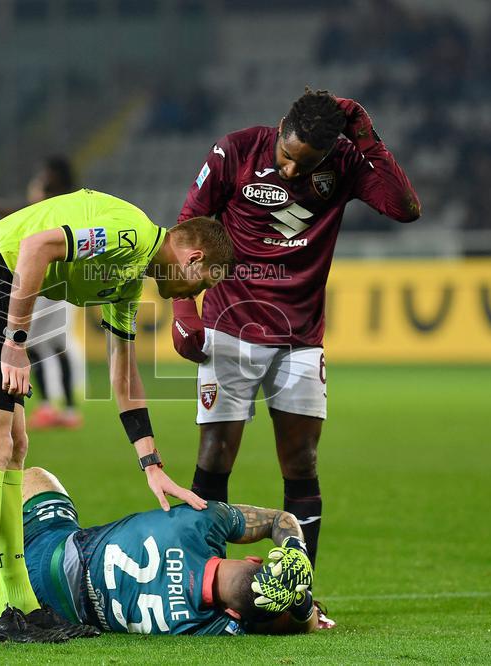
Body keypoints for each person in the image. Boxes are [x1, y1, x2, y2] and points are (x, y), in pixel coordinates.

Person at [0, 187, 234, 642]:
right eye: (206, 281)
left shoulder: (128, 280)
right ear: (192, 259)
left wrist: (151, 464)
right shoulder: (129, 236)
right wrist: (15, 342)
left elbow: (124, 376)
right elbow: (37, 247)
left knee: (14, 447)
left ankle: (21, 604)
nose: (199, 291)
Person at [172, 88, 421, 629]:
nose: (289, 170)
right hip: (229, 327)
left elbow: (405, 208)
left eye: (304, 165)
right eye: (286, 156)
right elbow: (187, 227)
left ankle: (298, 593)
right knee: (215, 457)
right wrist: (182, 307)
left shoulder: (347, 164)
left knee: (302, 462)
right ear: (281, 125)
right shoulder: (235, 152)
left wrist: (367, 135)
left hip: (301, 339)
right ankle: (193, 583)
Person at [0, 467, 319, 636]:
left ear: (252, 558)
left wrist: (295, 549)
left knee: (25, 479)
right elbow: (295, 621)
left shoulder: (200, 522)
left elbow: (279, 518)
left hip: (53, 549)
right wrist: (301, 606)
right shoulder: (204, 626)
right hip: (61, 613)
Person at [0, 156, 83, 430]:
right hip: (51, 283)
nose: (43, 177)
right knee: (46, 344)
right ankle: (59, 408)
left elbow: (9, 211)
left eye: (47, 173)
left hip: (50, 283)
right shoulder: (64, 205)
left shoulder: (52, 205)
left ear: (58, 176)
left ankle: (59, 407)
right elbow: (11, 211)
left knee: (42, 344)